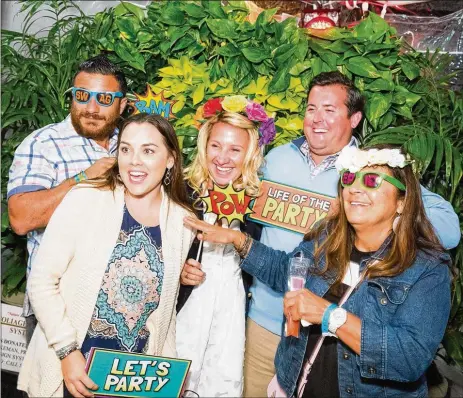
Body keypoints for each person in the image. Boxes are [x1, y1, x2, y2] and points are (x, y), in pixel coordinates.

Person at [181, 71, 461, 396]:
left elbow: (448, 228)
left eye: (330, 110)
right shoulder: (276, 160)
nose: (317, 119)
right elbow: (224, 181)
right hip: (267, 324)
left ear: (354, 118)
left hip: (343, 336)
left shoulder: (369, 167)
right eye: (311, 108)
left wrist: (365, 220)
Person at [17, 113, 196, 398]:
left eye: (148, 151)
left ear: (171, 158)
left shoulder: (182, 220)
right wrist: (67, 352)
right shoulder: (85, 198)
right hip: (74, 368)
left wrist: (166, 369)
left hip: (133, 378)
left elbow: (165, 312)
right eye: (125, 149)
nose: (134, 161)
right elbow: (41, 282)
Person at [7, 54, 128, 344]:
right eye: (82, 96)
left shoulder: (133, 144)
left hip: (119, 309)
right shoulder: (43, 143)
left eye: (104, 99)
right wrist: (81, 179)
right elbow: (21, 218)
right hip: (56, 308)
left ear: (122, 104)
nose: (91, 108)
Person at [175, 96, 273, 397]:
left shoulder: (259, 203)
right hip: (183, 312)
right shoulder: (181, 192)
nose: (223, 158)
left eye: (235, 149)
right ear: (204, 147)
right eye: (216, 146)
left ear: (250, 154)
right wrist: (178, 272)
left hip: (230, 313)